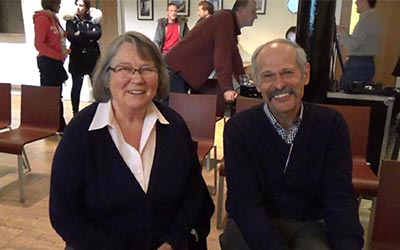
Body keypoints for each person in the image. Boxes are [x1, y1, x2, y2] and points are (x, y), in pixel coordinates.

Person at [49, 31, 214, 250]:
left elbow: (194, 193)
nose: (137, 78)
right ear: (107, 77)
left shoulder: (174, 126)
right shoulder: (80, 131)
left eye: (147, 69)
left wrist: (173, 242)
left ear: (159, 76)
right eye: (124, 68)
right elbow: (64, 214)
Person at [221, 39, 364, 250]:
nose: (279, 85)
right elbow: (244, 202)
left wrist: (349, 244)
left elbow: (339, 195)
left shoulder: (331, 124)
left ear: (305, 74)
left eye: (288, 72)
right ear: (257, 83)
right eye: (268, 76)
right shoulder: (239, 128)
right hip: (251, 224)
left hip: (309, 223)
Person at [164, 0, 258, 102]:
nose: (255, 16)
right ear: (241, 10)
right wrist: (227, 89)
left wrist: (244, 83)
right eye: (253, 12)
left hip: (179, 70)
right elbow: (222, 55)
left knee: (177, 111)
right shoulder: (225, 19)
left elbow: (234, 58)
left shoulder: (229, 22)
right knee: (172, 113)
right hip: (176, 70)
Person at [33, 0, 68, 133]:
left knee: (57, 95)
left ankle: (59, 124)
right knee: (52, 96)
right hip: (48, 62)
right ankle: (55, 126)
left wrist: (63, 53)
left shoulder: (54, 19)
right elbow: (39, 44)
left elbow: (58, 39)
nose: (60, 5)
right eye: (58, 3)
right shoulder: (42, 19)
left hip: (56, 62)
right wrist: (57, 55)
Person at [64, 0, 102, 116]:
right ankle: (75, 111)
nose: (78, 7)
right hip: (77, 57)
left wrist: (81, 33)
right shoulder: (70, 20)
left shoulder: (94, 19)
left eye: (81, 5)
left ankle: (99, 109)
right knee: (76, 86)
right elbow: (71, 36)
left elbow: (97, 34)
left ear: (86, 8)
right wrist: (87, 35)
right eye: (77, 5)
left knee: (96, 84)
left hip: (92, 56)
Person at [337, 0, 381, 92]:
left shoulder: (367, 20)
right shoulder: (373, 18)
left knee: (349, 95)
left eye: (358, 0)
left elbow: (353, 45)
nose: (356, 2)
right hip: (364, 64)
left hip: (358, 65)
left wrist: (343, 33)